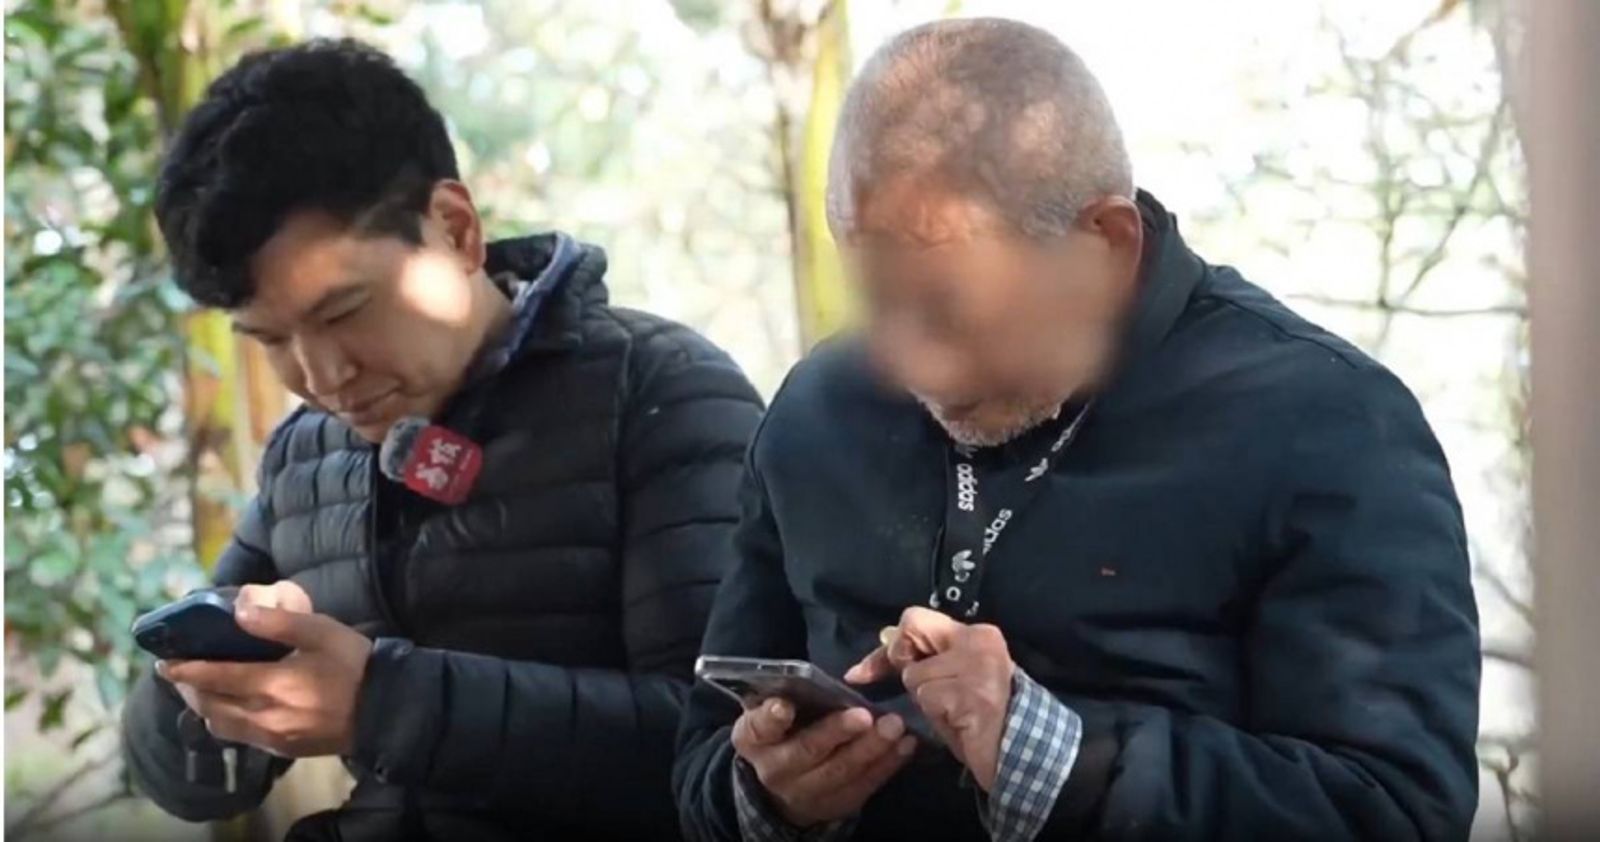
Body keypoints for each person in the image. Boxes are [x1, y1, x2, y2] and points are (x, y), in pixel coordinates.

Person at [673, 18, 1480, 842]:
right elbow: (700, 764)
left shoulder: (1327, 424)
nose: (908, 362)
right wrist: (767, 798)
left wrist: (1060, 761)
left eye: (949, 305)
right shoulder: (816, 410)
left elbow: (1396, 809)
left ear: (1105, 242)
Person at [120, 39, 763, 841]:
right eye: (271, 340)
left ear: (455, 229)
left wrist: (381, 703)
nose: (322, 377)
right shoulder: (305, 456)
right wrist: (197, 695)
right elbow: (187, 785)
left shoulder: (662, 392)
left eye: (343, 311)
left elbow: (731, 753)